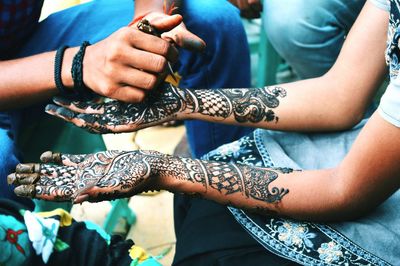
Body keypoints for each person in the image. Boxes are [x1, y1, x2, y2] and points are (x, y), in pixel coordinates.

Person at [9, 0, 400, 265]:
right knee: (205, 210)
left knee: (208, 237)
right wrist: (182, 102)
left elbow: (345, 190)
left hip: (359, 186)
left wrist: (160, 169)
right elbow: (340, 95)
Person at [0, 0, 253, 206]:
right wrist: (78, 64)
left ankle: (227, 196)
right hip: (33, 70)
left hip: (25, 46)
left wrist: (149, 17)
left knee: (212, 18)